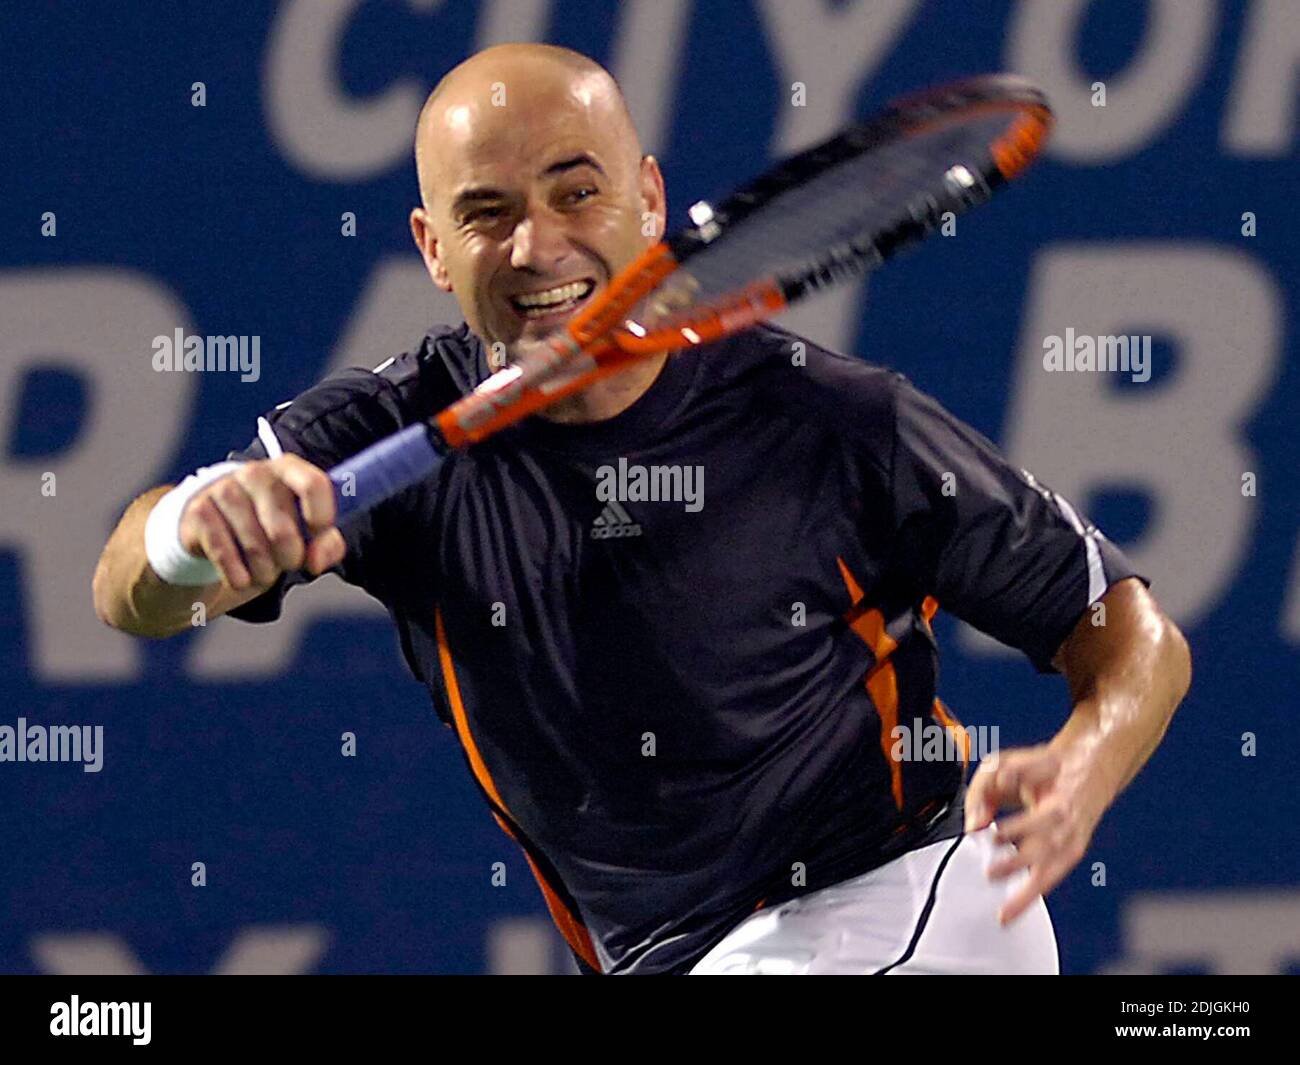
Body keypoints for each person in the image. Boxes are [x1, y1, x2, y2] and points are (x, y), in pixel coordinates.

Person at [92, 43, 1191, 975]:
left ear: (651, 200)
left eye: (578, 191)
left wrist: (1083, 770)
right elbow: (127, 592)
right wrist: (194, 536)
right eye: (487, 213)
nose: (539, 245)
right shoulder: (384, 431)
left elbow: (1126, 628)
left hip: (910, 906)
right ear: (432, 249)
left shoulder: (833, 420)